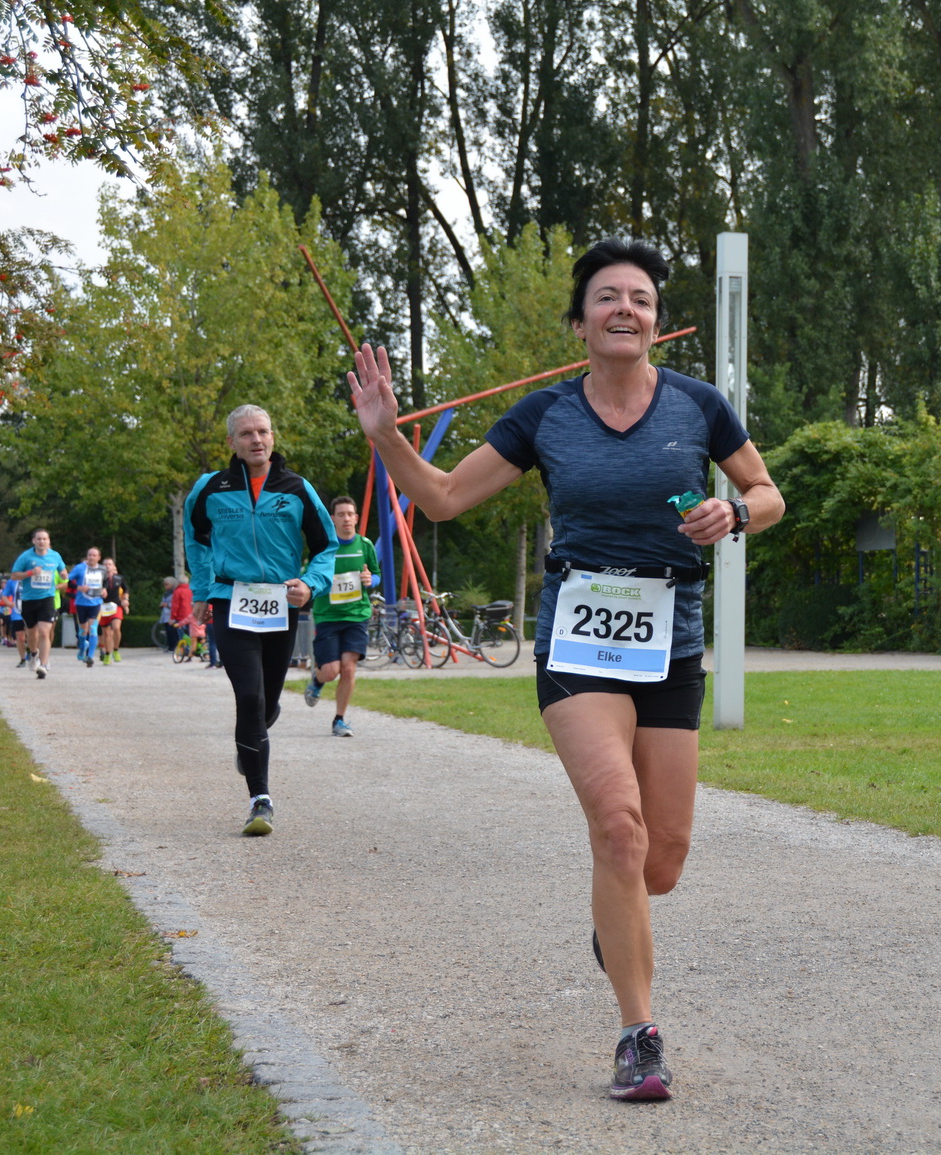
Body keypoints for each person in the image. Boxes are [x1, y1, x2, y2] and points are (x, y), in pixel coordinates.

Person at [349, 238, 783, 1102]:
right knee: (619, 829)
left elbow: (768, 492)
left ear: (656, 322)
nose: (626, 308)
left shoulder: (699, 406)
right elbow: (441, 496)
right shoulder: (545, 416)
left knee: (661, 861)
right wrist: (386, 436)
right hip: (580, 645)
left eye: (641, 298)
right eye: (607, 296)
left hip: (670, 645)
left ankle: (617, 921)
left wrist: (734, 513)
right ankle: (638, 1037)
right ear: (580, 322)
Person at [184, 404, 337, 837]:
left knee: (265, 703)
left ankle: (251, 735)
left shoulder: (297, 488)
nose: (256, 439)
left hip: (280, 605)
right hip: (230, 600)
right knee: (249, 696)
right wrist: (201, 591)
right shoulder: (210, 488)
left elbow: (326, 547)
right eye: (247, 433)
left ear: (273, 436)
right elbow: (195, 539)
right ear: (232, 442)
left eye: (263, 431)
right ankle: (260, 799)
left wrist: (310, 583)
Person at [302, 495, 380, 736]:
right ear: (333, 519)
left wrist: (370, 580)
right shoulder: (324, 547)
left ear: (356, 518)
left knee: (348, 668)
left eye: (349, 514)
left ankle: (339, 720)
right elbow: (309, 575)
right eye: (341, 514)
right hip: (328, 616)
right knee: (331, 671)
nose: (346, 519)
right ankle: (317, 681)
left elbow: (376, 574)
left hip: (357, 615)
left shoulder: (365, 545)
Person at [9, 529, 66, 679]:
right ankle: (34, 653)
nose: (42, 541)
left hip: (47, 599)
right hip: (29, 599)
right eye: (39, 539)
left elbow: (63, 572)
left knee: (44, 632)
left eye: (44, 539)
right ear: (33, 541)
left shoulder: (55, 555)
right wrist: (30, 573)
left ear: (49, 541)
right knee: (31, 633)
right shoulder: (26, 556)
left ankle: (44, 664)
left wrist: (64, 575)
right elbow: (14, 575)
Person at [68, 546, 106, 667]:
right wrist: (78, 587)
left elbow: (105, 581)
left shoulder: (103, 569)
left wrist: (104, 589)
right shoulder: (79, 568)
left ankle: (90, 656)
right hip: (81, 603)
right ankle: (81, 648)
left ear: (99, 557)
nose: (91, 557)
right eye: (90, 555)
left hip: (96, 603)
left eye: (94, 555)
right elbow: (67, 582)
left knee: (93, 628)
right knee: (83, 631)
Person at [97, 558, 129, 664]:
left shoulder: (119, 578)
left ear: (113, 566)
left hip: (116, 606)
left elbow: (126, 589)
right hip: (103, 607)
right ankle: (107, 654)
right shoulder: (99, 578)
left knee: (116, 628)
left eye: (109, 564)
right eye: (105, 564)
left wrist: (125, 599)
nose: (107, 566)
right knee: (106, 633)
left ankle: (116, 649)